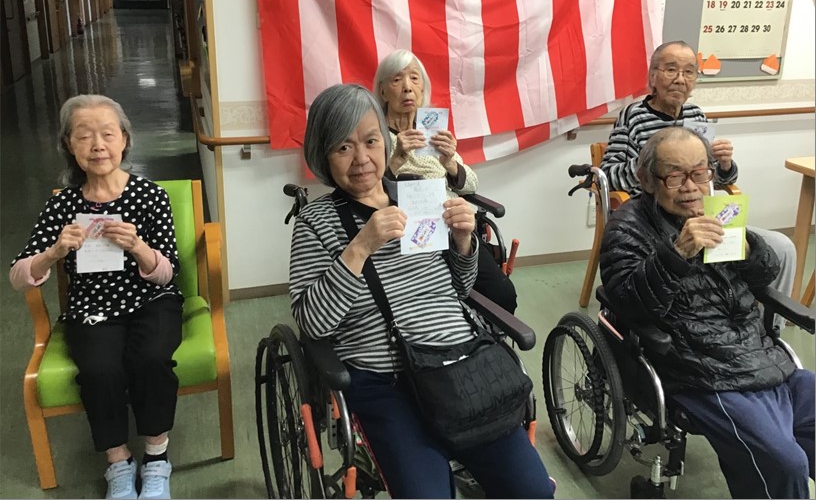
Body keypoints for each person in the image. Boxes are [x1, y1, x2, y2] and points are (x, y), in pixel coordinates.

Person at [289, 83, 554, 499]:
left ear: (386, 141)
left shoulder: (417, 195)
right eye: (343, 147)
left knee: (533, 491)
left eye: (371, 141)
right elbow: (313, 324)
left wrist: (464, 242)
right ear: (323, 154)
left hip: (461, 364)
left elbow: (459, 288)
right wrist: (359, 247)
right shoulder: (316, 223)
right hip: (386, 381)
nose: (361, 159)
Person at [600, 127, 814, 499]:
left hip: (760, 355)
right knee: (784, 463)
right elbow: (627, 302)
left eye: (700, 173)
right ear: (647, 180)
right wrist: (676, 254)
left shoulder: (717, 211)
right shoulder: (627, 228)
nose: (691, 187)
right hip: (700, 373)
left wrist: (748, 246)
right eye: (675, 176)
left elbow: (763, 276)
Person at [10, 95, 180, 500]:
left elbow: (168, 273)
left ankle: (157, 458)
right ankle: (118, 463)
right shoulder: (63, 205)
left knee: (151, 358)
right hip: (92, 309)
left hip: (151, 301)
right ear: (69, 145)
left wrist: (138, 247)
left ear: (125, 140)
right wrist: (53, 252)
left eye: (107, 134)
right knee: (99, 369)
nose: (98, 145)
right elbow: (19, 277)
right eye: (84, 136)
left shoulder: (150, 196)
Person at [600, 40, 796, 321]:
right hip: (654, 221)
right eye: (671, 70)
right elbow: (608, 174)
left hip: (704, 215)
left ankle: (770, 326)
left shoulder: (696, 115)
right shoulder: (633, 116)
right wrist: (657, 162)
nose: (680, 79)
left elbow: (716, 179)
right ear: (653, 76)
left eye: (689, 72)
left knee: (782, 247)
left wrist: (724, 164)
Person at [372, 49, 518, 313]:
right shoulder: (376, 138)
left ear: (422, 88)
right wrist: (396, 158)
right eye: (397, 79)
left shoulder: (433, 133)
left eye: (414, 78)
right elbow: (369, 194)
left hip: (454, 230)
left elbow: (471, 185)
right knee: (434, 301)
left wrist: (450, 161)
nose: (407, 87)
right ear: (382, 91)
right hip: (411, 237)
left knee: (504, 295)